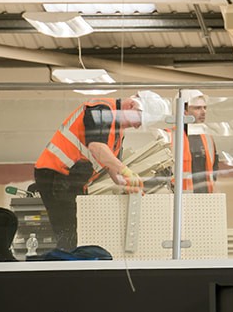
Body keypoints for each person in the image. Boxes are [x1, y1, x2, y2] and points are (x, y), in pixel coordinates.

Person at [33, 90, 169, 251]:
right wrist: (126, 171)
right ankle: (62, 268)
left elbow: (111, 166)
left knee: (74, 235)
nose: (137, 126)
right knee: (67, 236)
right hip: (56, 173)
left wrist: (126, 183)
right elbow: (96, 147)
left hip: (72, 180)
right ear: (132, 105)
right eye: (139, 121)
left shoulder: (118, 131)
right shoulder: (101, 109)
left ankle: (68, 264)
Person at [175, 90, 225, 193]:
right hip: (179, 199)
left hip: (205, 199)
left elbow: (214, 168)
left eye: (204, 107)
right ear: (184, 111)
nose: (203, 112)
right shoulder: (170, 137)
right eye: (197, 108)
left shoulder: (208, 138)